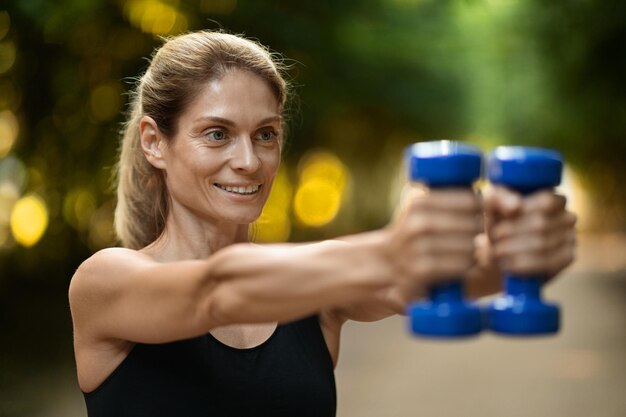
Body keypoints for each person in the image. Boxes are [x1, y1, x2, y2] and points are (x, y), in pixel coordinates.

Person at [68, 30, 576, 417]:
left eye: (265, 135)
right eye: (218, 134)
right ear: (155, 142)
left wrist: (520, 250)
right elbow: (214, 292)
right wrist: (394, 247)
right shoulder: (106, 282)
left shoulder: (314, 289)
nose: (249, 160)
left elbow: (430, 281)